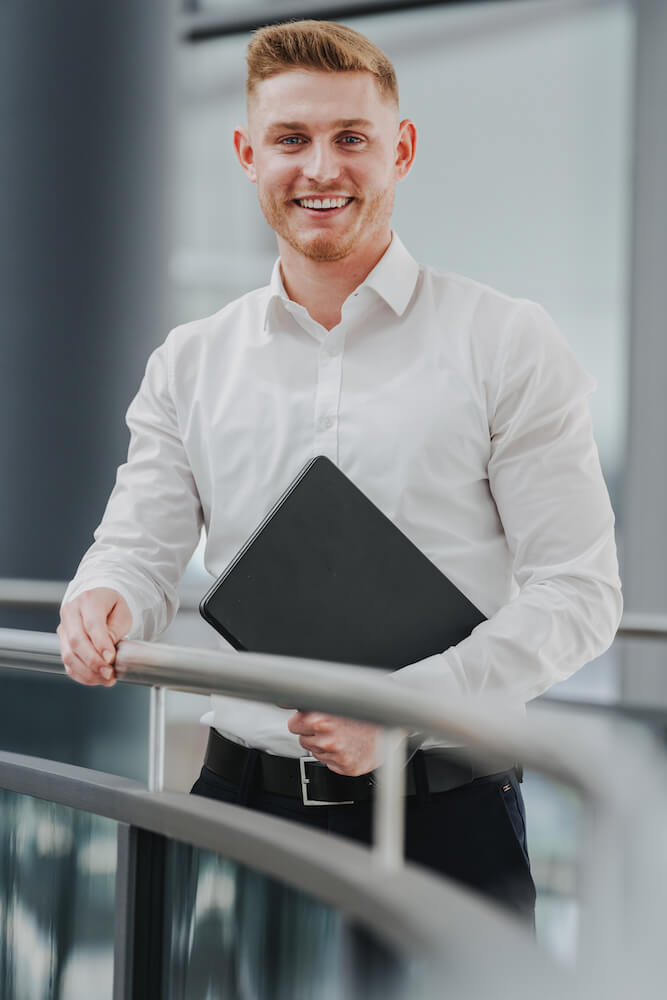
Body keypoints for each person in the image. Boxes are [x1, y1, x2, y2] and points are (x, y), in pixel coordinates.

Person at [57, 20, 622, 923]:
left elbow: (579, 595)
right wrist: (104, 597)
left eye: (350, 138)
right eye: (291, 139)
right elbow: (139, 547)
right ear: (248, 154)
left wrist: (399, 705)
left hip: (446, 819)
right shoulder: (190, 360)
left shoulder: (504, 341)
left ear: (398, 150)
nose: (320, 169)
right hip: (239, 809)